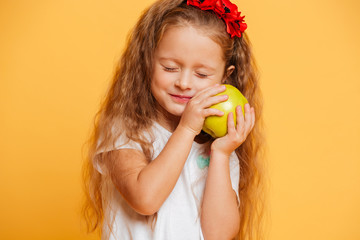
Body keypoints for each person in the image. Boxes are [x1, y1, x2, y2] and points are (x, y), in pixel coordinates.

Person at [82, 0, 267, 239]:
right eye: (170, 68)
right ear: (147, 61)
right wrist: (187, 128)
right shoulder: (125, 130)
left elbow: (218, 235)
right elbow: (145, 199)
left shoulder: (222, 144)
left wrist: (221, 154)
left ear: (225, 78)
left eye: (201, 74)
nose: (184, 83)